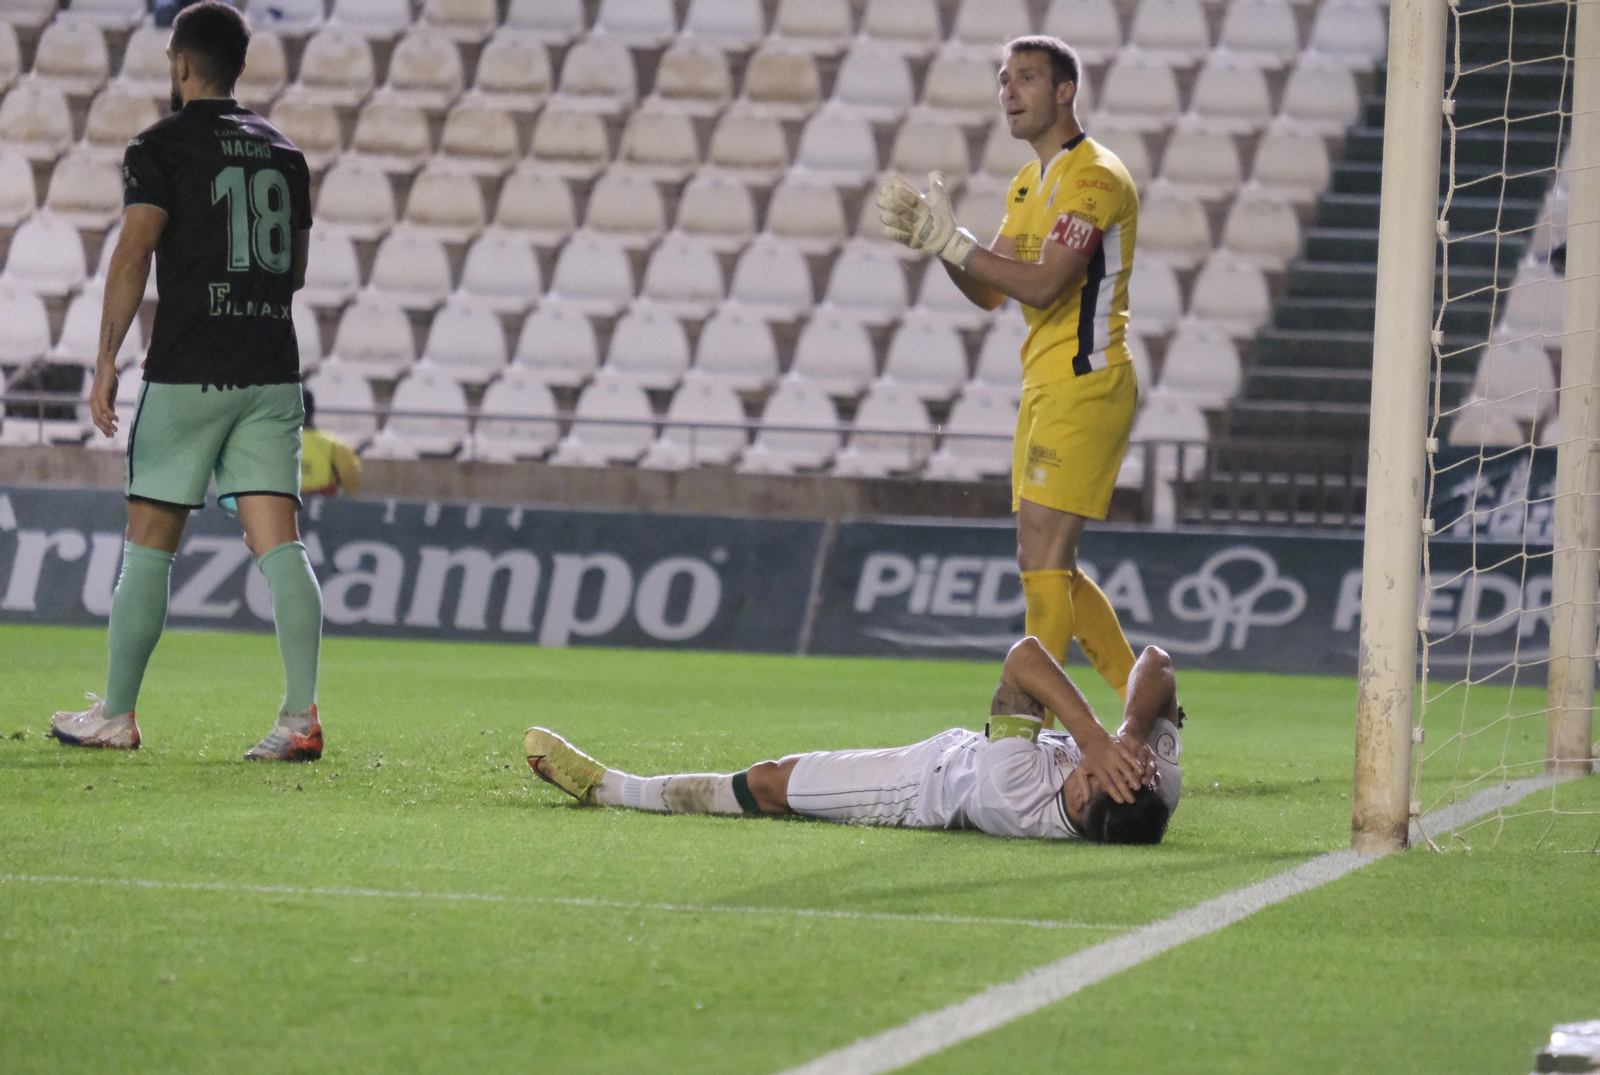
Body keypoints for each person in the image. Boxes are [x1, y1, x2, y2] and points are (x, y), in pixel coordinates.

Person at [48, 1, 324, 762]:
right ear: (237, 66)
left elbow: (134, 255)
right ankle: (301, 716)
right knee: (281, 548)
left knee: (149, 544)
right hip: (271, 371)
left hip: (190, 370)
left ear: (179, 65)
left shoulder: (159, 147)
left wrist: (105, 360)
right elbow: (294, 271)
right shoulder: (285, 154)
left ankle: (116, 715)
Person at [875, 36, 1143, 716]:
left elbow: (1048, 284)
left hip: (1087, 380)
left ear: (1064, 92)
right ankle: (1150, 707)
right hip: (1046, 384)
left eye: (1026, 78)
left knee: (1039, 555)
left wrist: (953, 243)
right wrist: (940, 243)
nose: (1010, 92)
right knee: (1052, 562)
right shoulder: (1028, 183)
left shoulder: (1096, 177)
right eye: (1004, 80)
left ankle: (1029, 724)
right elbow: (993, 290)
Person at [524, 640, 1183, 844]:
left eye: (1100, 769)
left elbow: (1023, 659)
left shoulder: (1019, 795)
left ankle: (606, 785)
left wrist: (1090, 737)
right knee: (771, 780)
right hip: (969, 748)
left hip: (930, 783)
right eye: (1133, 764)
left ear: (1085, 794)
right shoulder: (1154, 783)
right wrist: (1124, 733)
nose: (1115, 763)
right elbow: (1157, 661)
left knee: (770, 783)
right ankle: (614, 786)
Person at [300, 389, 363, 498]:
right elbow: (353, 484)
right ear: (313, 410)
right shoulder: (337, 446)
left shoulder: (271, 446)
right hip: (323, 511)